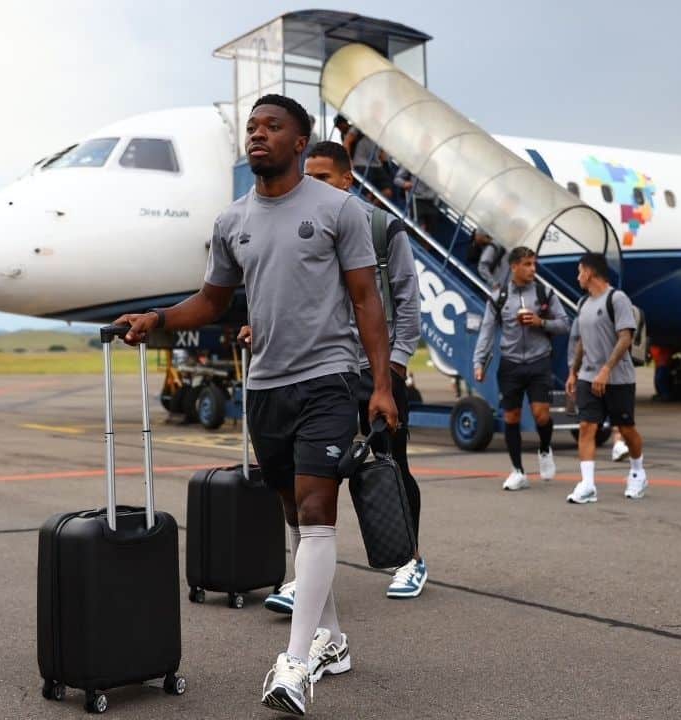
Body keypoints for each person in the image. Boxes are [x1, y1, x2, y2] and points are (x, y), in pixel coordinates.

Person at [115, 94, 398, 717]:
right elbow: (212, 302)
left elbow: (366, 300)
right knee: (296, 513)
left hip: (328, 378)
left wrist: (380, 384)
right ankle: (334, 640)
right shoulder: (231, 222)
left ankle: (295, 666)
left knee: (318, 505)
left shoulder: (339, 210)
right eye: (252, 127)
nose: (258, 135)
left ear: (302, 143)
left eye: (273, 127)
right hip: (266, 386)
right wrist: (158, 317)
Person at [250, 140, 428, 605]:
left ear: (347, 179)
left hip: (375, 368)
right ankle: (306, 578)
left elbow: (407, 302)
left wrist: (393, 366)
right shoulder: (305, 224)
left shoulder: (382, 226)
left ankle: (409, 558)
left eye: (324, 177)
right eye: (309, 176)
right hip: (325, 368)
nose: (313, 184)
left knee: (389, 466)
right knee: (310, 476)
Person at [473, 247, 569, 490]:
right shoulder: (499, 297)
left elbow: (564, 324)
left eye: (534, 264)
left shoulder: (544, 292)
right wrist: (479, 362)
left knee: (541, 415)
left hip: (539, 361)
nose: (532, 269)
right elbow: (486, 330)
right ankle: (517, 471)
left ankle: (545, 449)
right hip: (510, 364)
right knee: (511, 417)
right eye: (527, 264)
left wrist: (540, 322)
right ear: (514, 266)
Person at [565, 253, 647, 503]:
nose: (578, 276)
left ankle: (637, 472)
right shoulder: (583, 303)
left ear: (590, 272)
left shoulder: (617, 298)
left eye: (580, 270)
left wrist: (606, 369)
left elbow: (626, 337)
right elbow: (581, 342)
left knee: (626, 428)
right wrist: (573, 371)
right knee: (586, 427)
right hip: (588, 377)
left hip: (618, 378)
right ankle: (588, 484)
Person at [342, 119, 392, 201]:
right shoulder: (360, 125)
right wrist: (349, 161)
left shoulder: (381, 128)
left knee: (387, 192)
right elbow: (347, 141)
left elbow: (382, 151)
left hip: (377, 165)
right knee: (367, 194)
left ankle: (371, 209)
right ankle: (368, 210)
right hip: (361, 164)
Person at [394, 167, 441, 235]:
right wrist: (404, 183)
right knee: (421, 228)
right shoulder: (413, 163)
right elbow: (396, 180)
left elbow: (436, 190)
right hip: (415, 198)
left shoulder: (435, 167)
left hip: (430, 203)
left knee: (430, 231)